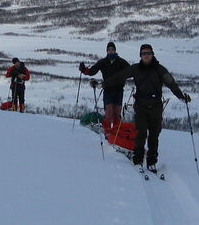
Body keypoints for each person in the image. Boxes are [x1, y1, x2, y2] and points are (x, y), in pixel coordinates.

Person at [103, 43, 190, 173]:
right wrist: (103, 84)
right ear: (140, 55)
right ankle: (138, 160)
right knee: (141, 134)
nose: (146, 55)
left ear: (152, 54)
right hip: (141, 106)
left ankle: (152, 162)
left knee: (154, 136)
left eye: (148, 53)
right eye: (144, 53)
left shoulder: (160, 69)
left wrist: (181, 96)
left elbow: (171, 83)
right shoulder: (135, 69)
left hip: (156, 107)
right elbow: (119, 77)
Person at [79, 41, 130, 130]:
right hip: (108, 90)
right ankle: (107, 131)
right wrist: (84, 70)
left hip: (119, 90)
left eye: (112, 49)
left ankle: (116, 133)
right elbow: (92, 71)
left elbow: (131, 71)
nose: (111, 51)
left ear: (115, 50)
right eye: (109, 50)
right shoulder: (103, 62)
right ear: (107, 51)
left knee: (117, 113)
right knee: (109, 113)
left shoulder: (121, 62)